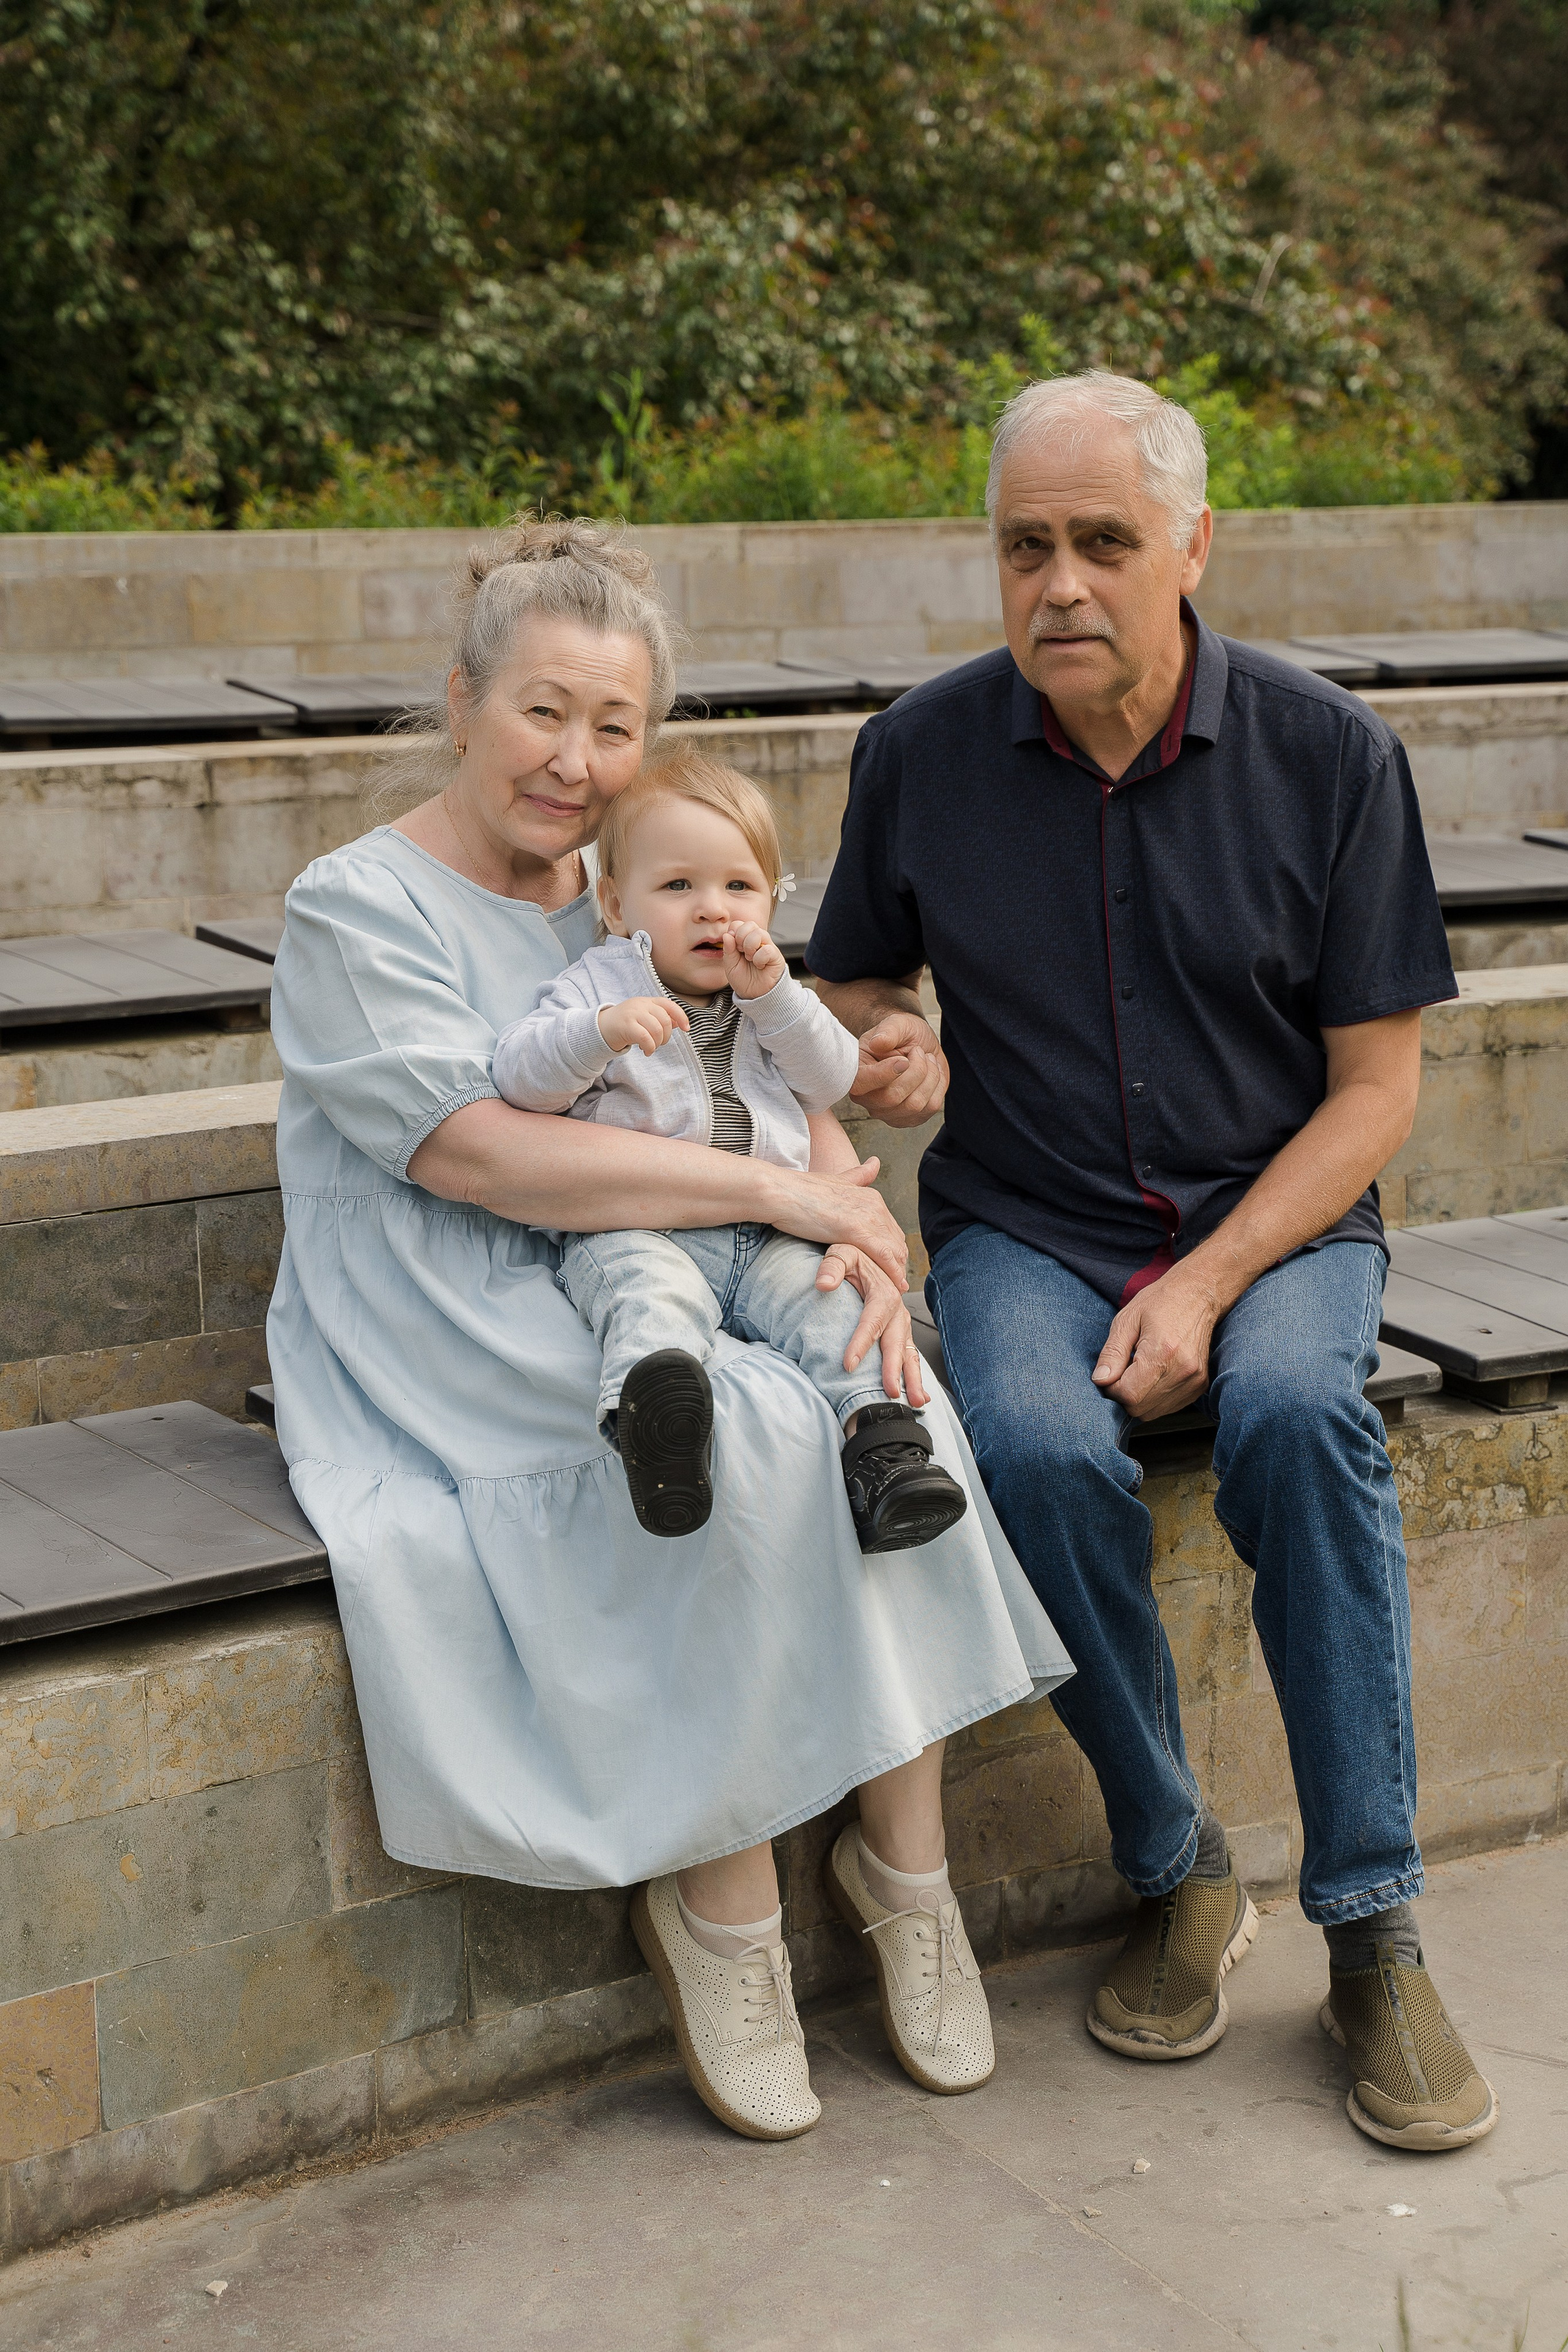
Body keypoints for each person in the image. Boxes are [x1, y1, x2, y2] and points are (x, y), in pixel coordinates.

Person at [266, 513, 1072, 2147]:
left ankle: (905, 1875)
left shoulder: (634, 884)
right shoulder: (355, 906)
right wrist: (789, 1206)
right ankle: (729, 1911)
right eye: (543, 711)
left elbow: (759, 1075)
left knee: (877, 1381)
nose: (574, 759)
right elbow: (480, 1154)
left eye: (613, 726)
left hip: (669, 1248)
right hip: (456, 1294)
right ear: (462, 699)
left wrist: (850, 1198)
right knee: (735, 1436)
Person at [810, 372, 1499, 2153]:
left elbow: (1375, 1095)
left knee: (1295, 1420)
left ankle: (1371, 1926)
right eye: (1026, 546)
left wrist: (1201, 1285)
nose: (1060, 585)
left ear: (1191, 546)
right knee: (1026, 1447)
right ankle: (1178, 1862)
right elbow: (854, 987)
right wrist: (879, 1043)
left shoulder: (1333, 757)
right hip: (1027, 1218)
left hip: (1274, 1221)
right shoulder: (922, 755)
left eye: (1103, 543)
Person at [492, 748, 969, 1553]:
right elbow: (520, 1076)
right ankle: (664, 1432)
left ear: (770, 900)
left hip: (766, 1235)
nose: (713, 910)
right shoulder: (599, 988)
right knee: (649, 1303)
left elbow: (833, 1077)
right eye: (679, 887)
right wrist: (595, 1038)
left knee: (831, 1310)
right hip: (635, 1227)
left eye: (737, 887)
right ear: (616, 902)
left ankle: (883, 1446)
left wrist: (778, 996)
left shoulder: (767, 993)